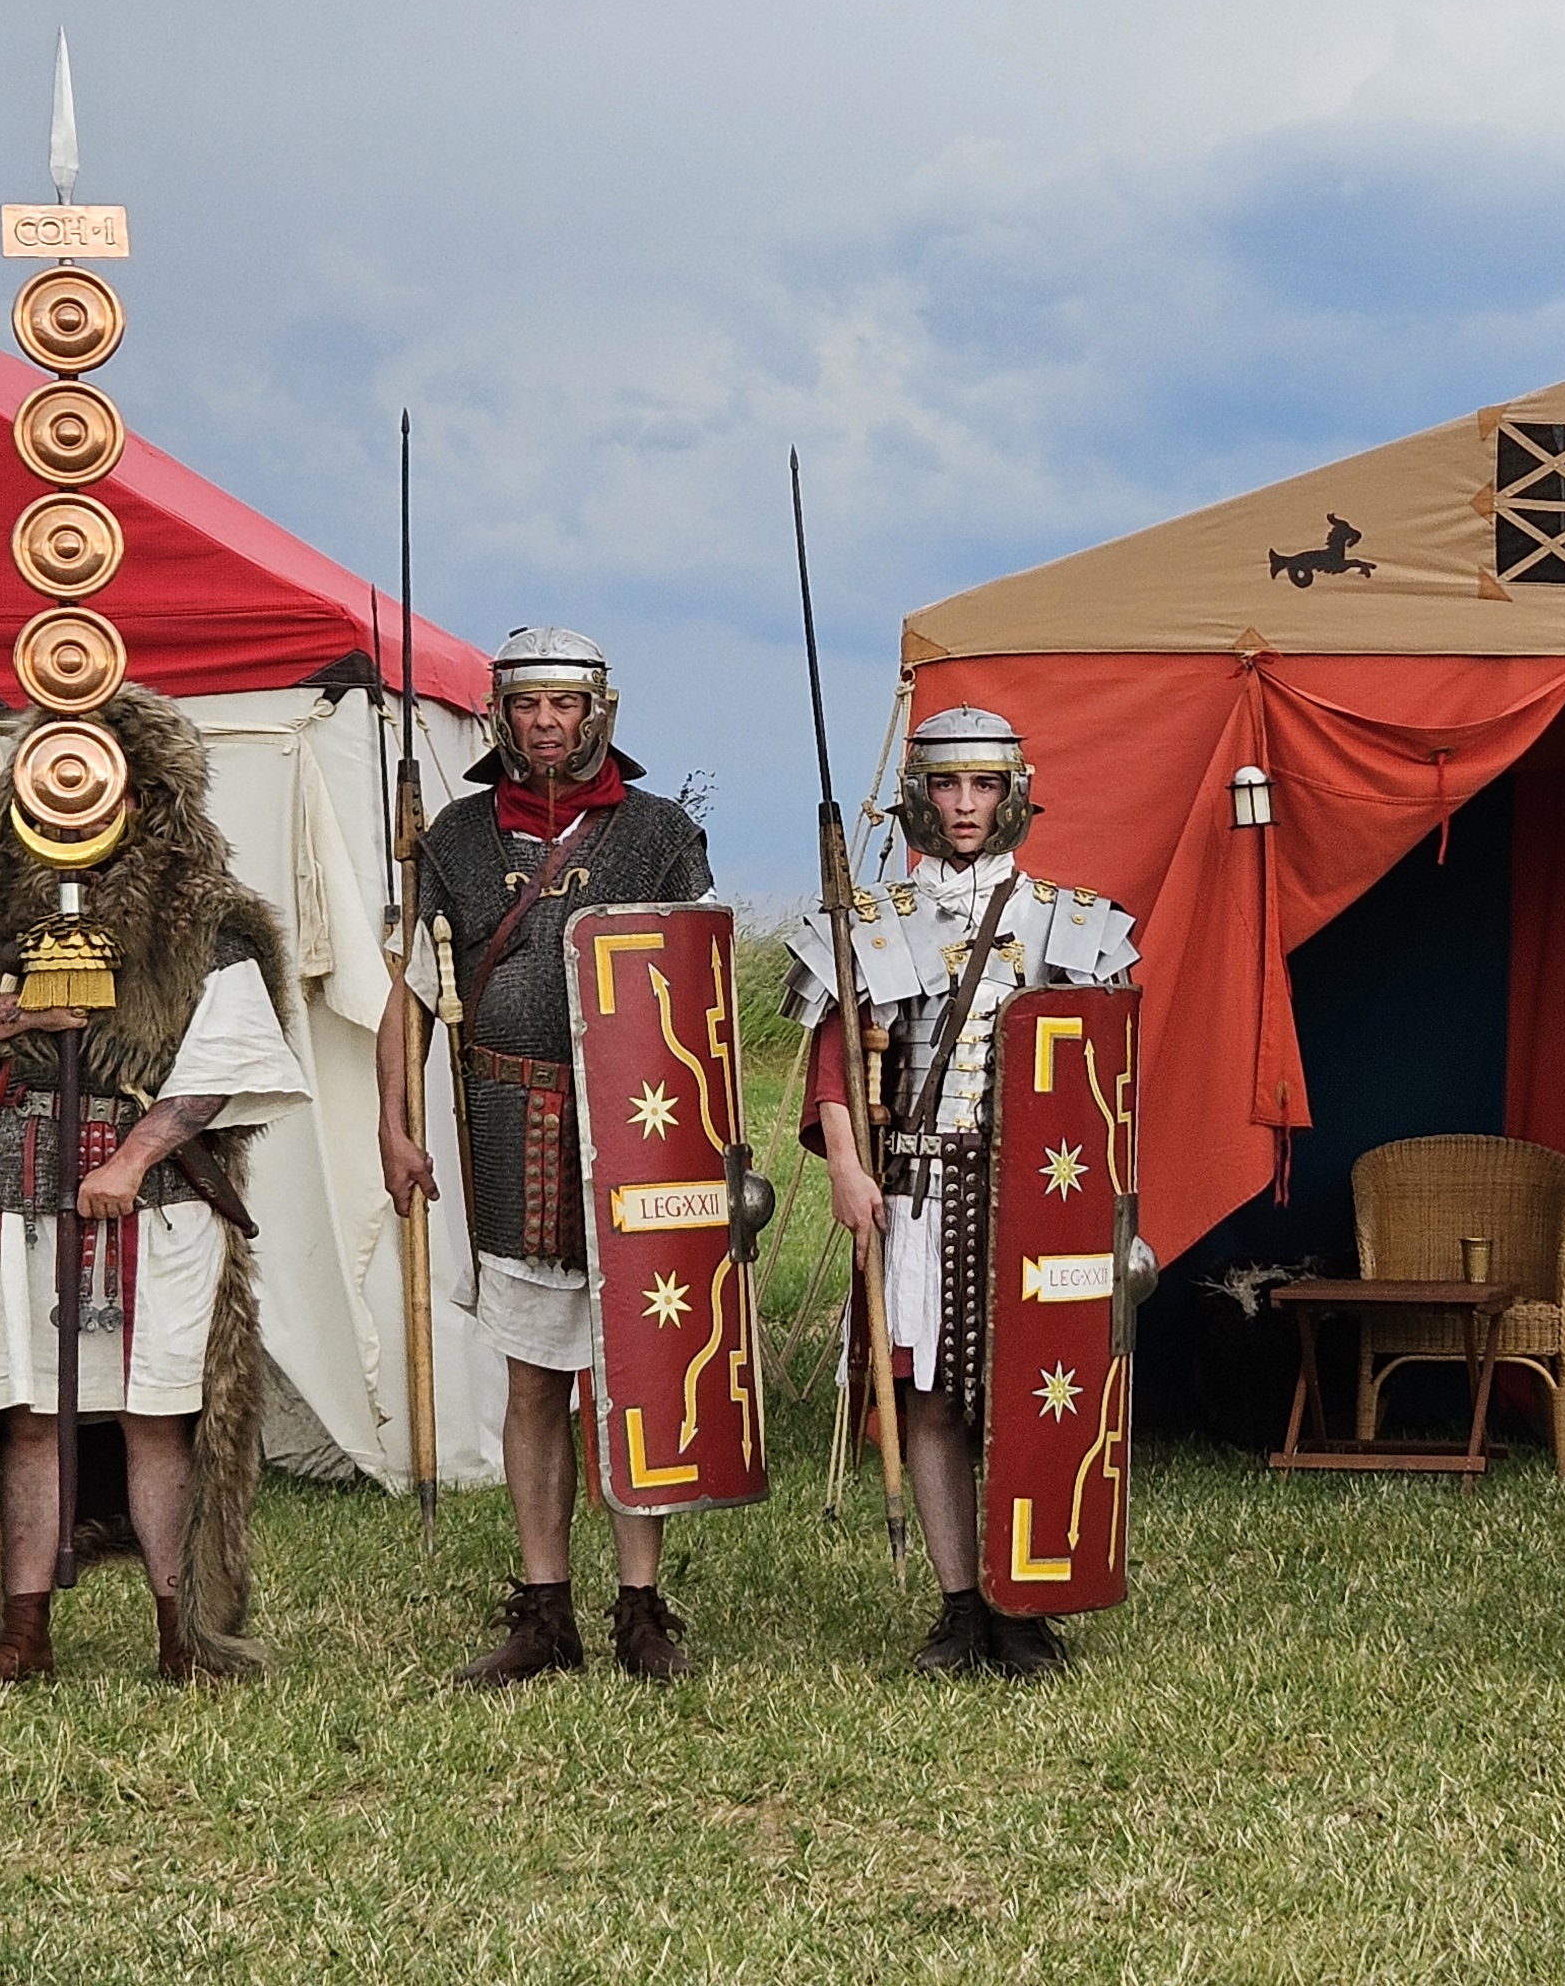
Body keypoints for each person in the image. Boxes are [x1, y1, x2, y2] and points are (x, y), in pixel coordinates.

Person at [0, 686, 307, 1689]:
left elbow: (229, 1060)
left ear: (146, 793)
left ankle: (184, 1630)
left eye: (105, 781)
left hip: (159, 1208)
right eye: (54, 776)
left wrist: (132, 1158)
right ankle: (21, 1630)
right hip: (10, 1193)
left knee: (161, 1415)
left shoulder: (206, 913)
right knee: (26, 1418)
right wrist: (22, 1010)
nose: (76, 800)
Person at [380, 627, 717, 1688]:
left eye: (563, 704)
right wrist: (394, 1122)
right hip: (511, 1126)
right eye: (527, 705)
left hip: (637, 1128)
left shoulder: (660, 833)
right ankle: (544, 1608)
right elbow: (410, 994)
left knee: (634, 1373)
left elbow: (700, 987)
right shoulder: (458, 836)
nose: (545, 723)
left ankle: (640, 1606)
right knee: (534, 1378)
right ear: (502, 715)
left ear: (596, 711)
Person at [788, 706, 1138, 1678]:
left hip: (1037, 1204)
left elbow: (1105, 1085)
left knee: (1035, 1395)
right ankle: (959, 1607)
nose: (965, 804)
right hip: (921, 1191)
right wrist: (848, 1166)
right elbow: (833, 1066)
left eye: (984, 784)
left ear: (1014, 795)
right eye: (946, 784)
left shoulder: (1076, 925)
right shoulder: (869, 925)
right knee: (933, 1398)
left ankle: (1024, 1601)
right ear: (919, 798)